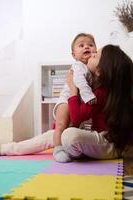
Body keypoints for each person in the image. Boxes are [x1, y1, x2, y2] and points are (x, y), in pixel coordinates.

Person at [0, 44, 133, 160]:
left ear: (101, 71)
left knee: (69, 135)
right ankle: (4, 149)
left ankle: (72, 152)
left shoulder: (99, 94)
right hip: (98, 140)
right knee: (54, 134)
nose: (91, 54)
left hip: (108, 146)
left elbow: (76, 118)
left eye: (95, 55)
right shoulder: (97, 88)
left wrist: (73, 88)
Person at [53, 33, 97, 162]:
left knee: (73, 128)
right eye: (81, 45)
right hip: (65, 99)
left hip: (76, 101)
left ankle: (69, 148)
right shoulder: (78, 66)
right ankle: (58, 149)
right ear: (74, 55)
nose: (86, 47)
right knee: (61, 124)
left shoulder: (92, 67)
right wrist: (88, 95)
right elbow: (79, 81)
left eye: (90, 45)